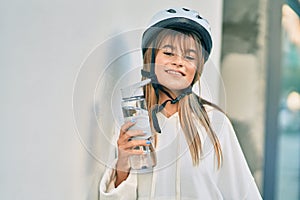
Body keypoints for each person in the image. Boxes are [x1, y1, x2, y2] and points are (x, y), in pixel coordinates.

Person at [99, 7, 262, 200]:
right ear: (151, 59)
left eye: (190, 56)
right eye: (168, 53)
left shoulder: (214, 124)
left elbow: (244, 194)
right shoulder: (133, 122)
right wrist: (122, 164)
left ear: (197, 68)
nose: (178, 62)